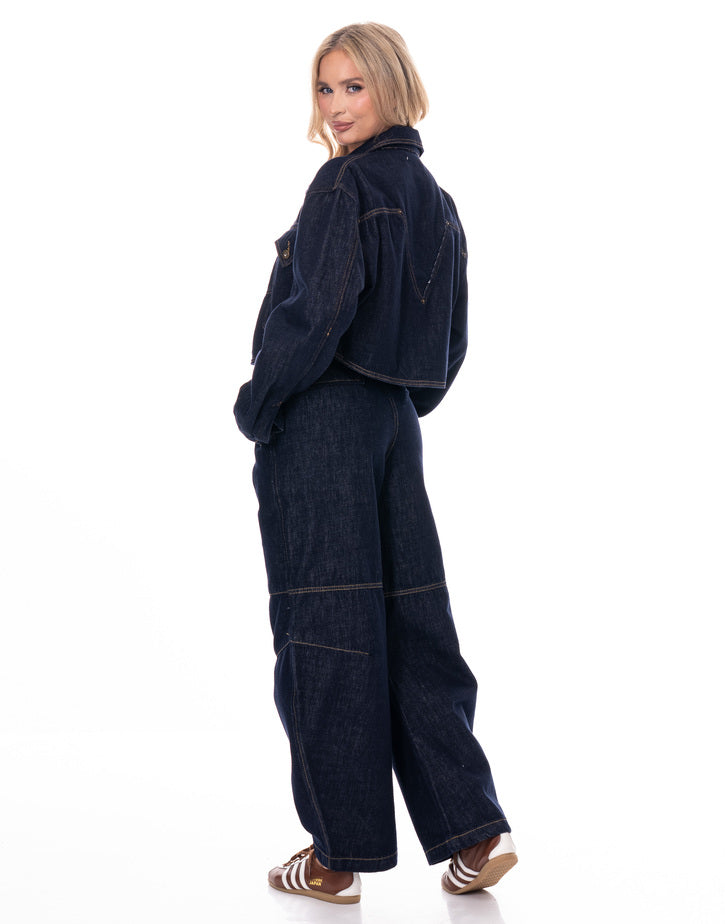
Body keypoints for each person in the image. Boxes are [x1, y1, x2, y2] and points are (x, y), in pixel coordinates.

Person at [234, 22, 517, 905]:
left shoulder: (343, 184)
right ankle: (474, 831)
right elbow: (452, 338)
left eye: (353, 87)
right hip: (394, 425)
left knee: (324, 632)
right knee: (414, 625)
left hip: (322, 422)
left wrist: (258, 402)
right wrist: (396, 402)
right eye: (325, 89)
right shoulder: (437, 200)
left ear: (392, 86)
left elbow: (316, 313)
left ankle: (336, 857)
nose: (336, 106)